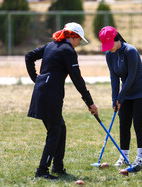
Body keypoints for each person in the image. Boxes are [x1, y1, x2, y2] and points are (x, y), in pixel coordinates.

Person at [25, 22, 98, 180]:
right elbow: (77, 79)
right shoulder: (68, 51)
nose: (79, 43)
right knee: (55, 131)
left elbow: (29, 56)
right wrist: (90, 103)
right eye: (79, 40)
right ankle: (42, 171)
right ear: (72, 36)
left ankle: (58, 167)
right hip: (50, 96)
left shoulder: (51, 45)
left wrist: (36, 80)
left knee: (60, 129)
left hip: (42, 93)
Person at [99, 26, 142, 167]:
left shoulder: (131, 51)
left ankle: (141, 159)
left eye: (110, 45)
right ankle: (124, 157)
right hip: (126, 93)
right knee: (124, 124)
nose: (108, 48)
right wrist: (114, 99)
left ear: (117, 39)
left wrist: (121, 96)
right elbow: (114, 78)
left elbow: (131, 77)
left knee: (138, 124)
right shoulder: (109, 55)